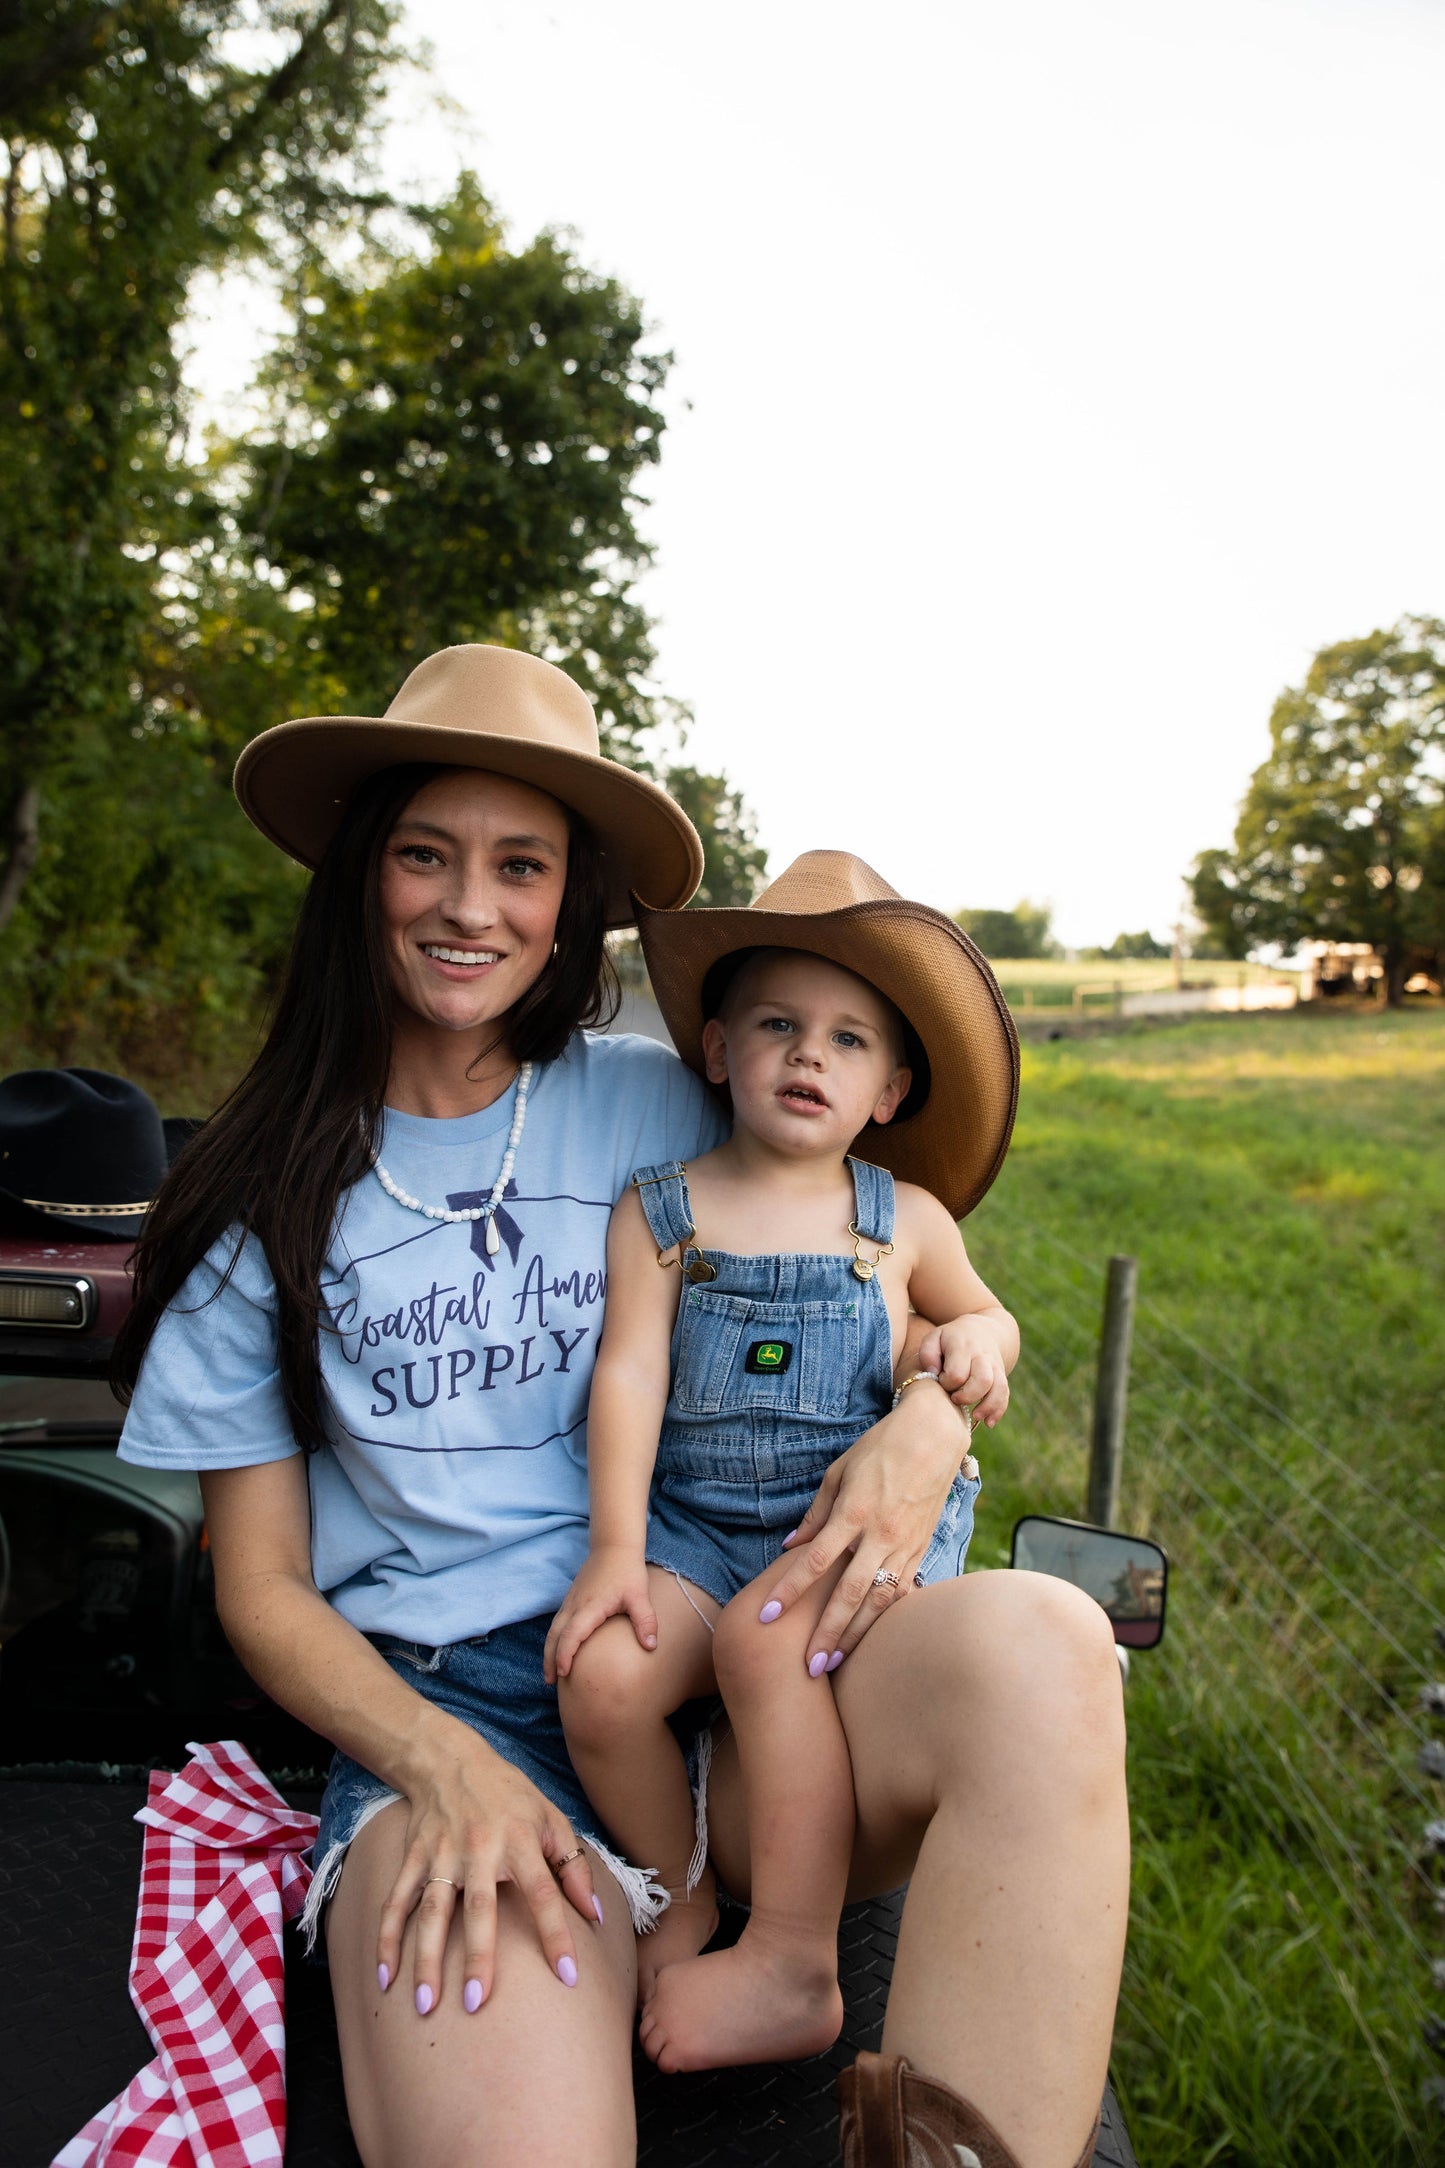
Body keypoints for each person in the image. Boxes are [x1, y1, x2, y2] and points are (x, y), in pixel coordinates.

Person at [111, 644, 1127, 2168]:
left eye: (520, 864)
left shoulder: (666, 1099)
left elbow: (892, 1282)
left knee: (1048, 1642)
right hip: (463, 1715)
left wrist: (930, 1426)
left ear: (573, 896)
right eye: (423, 855)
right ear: (357, 874)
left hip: (764, 1664)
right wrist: (440, 1769)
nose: (471, 906)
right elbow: (258, 1586)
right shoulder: (260, 1208)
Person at [544, 854, 1019, 2078]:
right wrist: (613, 1553)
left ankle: (795, 1962)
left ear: (888, 1086)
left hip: (848, 1534)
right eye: (777, 1025)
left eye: (848, 1038)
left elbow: (984, 1316)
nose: (809, 1054)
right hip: (698, 1532)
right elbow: (628, 1378)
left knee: (768, 1640)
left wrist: (972, 1339)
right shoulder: (661, 1212)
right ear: (713, 1050)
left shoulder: (901, 1218)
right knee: (599, 1678)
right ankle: (685, 1891)